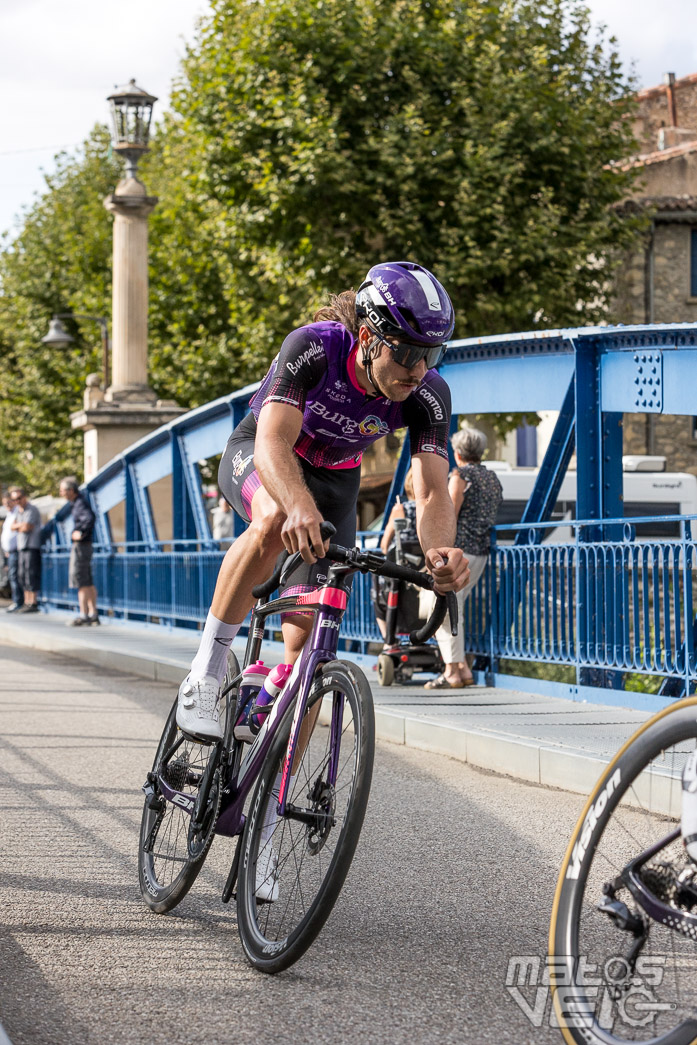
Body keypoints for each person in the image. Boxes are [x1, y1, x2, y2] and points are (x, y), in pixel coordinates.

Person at [176, 260, 470, 743]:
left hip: (335, 483)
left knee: (309, 652)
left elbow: (435, 488)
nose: (418, 370)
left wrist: (440, 552)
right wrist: (295, 503)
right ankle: (206, 672)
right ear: (370, 338)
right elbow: (272, 441)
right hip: (265, 453)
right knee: (271, 521)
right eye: (407, 354)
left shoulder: (428, 393)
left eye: (432, 354)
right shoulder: (314, 347)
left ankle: (271, 803)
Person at [425, 425, 503, 689]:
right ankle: (463, 669)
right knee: (455, 607)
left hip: (459, 552)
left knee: (443, 609)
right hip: (481, 552)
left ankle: (451, 671)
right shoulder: (492, 477)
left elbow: (450, 514)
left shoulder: (460, 476)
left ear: (457, 453)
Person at [371, 470, 419, 642]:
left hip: (400, 572)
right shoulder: (430, 510)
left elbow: (384, 545)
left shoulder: (400, 508)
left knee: (376, 590)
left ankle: (388, 639)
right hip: (422, 573)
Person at [59, 477, 99, 626]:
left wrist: (80, 532)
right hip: (86, 545)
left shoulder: (79, 503)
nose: (61, 493)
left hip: (81, 546)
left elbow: (89, 518)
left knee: (80, 579)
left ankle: (83, 614)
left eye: (63, 490)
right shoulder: (78, 502)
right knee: (87, 580)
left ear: (71, 490)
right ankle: (93, 613)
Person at [9, 488, 42, 614]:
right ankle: (26, 601)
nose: (17, 501)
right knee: (22, 575)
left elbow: (27, 527)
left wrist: (19, 526)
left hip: (31, 546)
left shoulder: (32, 509)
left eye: (18, 498)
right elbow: (13, 527)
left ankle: (33, 602)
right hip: (21, 547)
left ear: (24, 497)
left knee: (31, 573)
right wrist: (19, 526)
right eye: (14, 499)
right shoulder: (18, 511)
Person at [1, 492, 24, 613]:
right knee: (12, 576)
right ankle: (17, 601)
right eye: (5, 503)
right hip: (9, 552)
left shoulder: (17, 513)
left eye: (8, 502)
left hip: (16, 551)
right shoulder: (9, 515)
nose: (7, 505)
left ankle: (18, 601)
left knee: (15, 576)